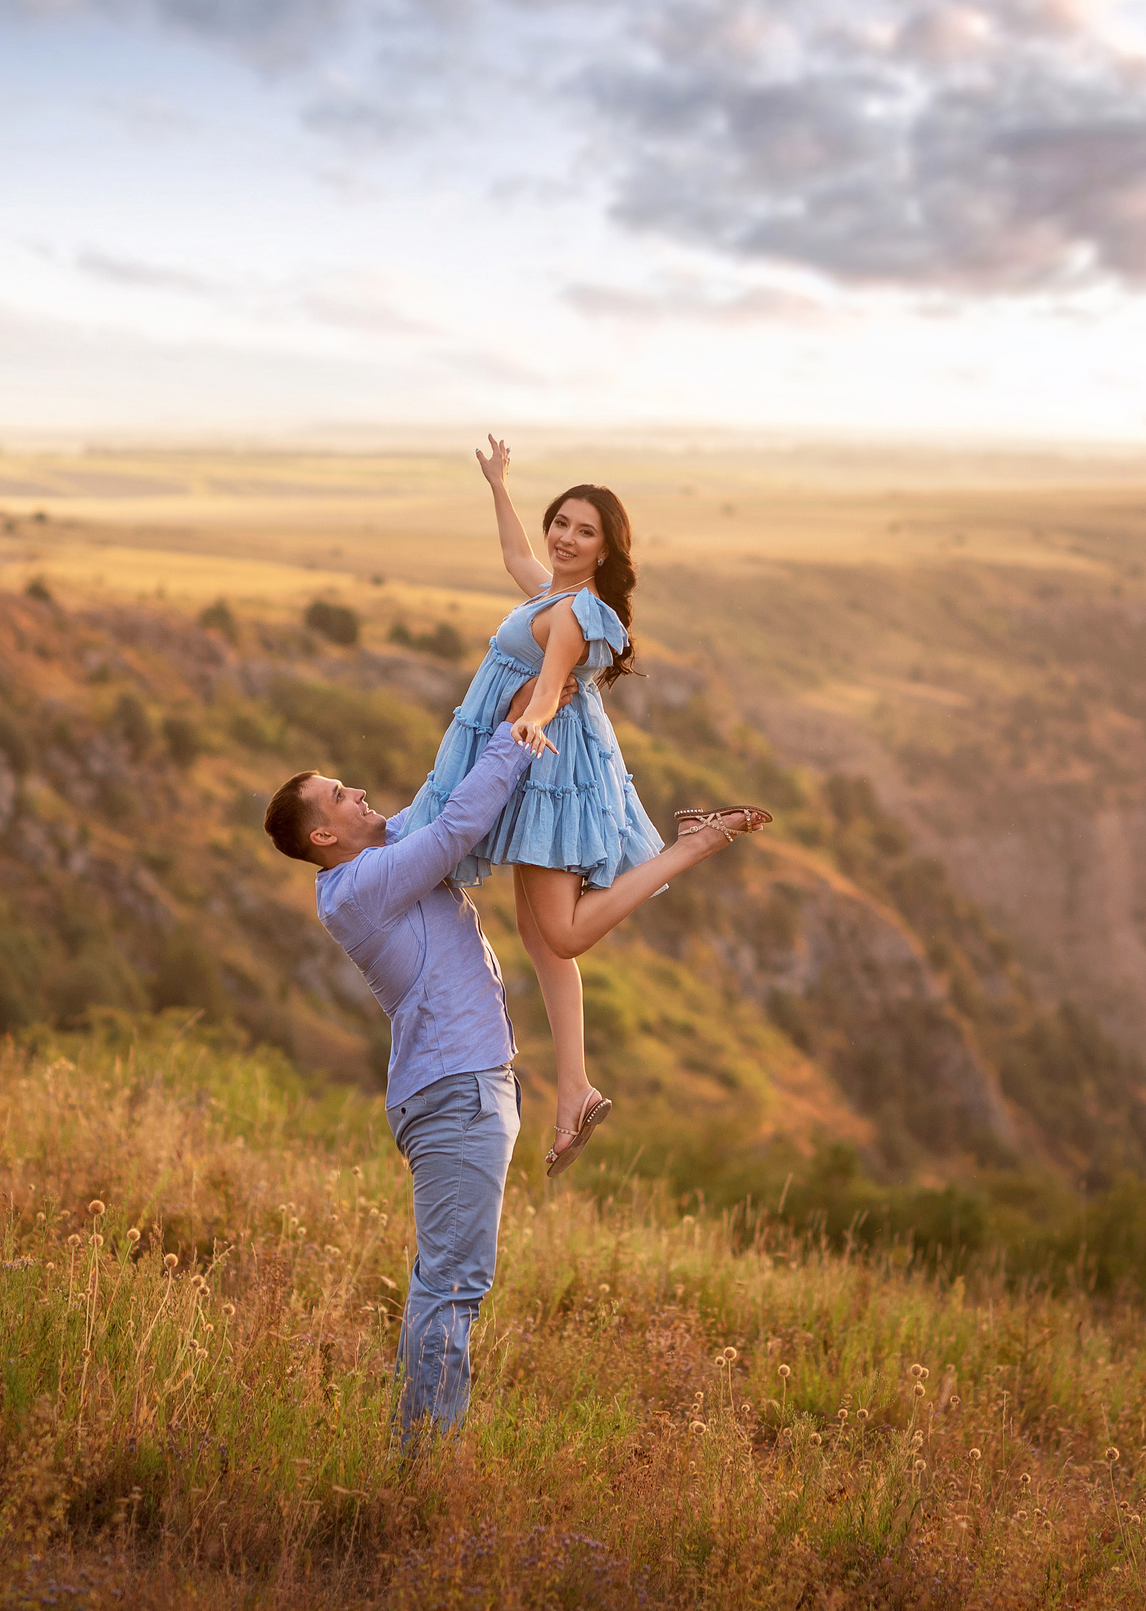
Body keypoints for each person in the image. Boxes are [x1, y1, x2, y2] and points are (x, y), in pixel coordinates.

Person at [264, 710, 761, 1444]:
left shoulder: (371, 864)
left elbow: (440, 795)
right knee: (452, 1286)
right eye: (340, 794)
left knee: (444, 1280)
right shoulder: (361, 885)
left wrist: (512, 703)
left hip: (459, 1092)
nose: (359, 791)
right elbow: (454, 828)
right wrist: (517, 735)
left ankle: (416, 1449)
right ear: (323, 836)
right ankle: (423, 1462)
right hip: (456, 1095)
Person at [397, 435, 770, 1176]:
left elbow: (550, 681)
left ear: (606, 550)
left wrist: (529, 721)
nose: (565, 536)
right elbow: (514, 556)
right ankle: (576, 1090)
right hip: (550, 767)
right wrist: (498, 484)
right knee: (543, 946)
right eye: (560, 522)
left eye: (584, 530)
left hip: (550, 775)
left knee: (560, 938)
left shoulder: (573, 612)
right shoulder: (551, 592)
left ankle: (690, 845)